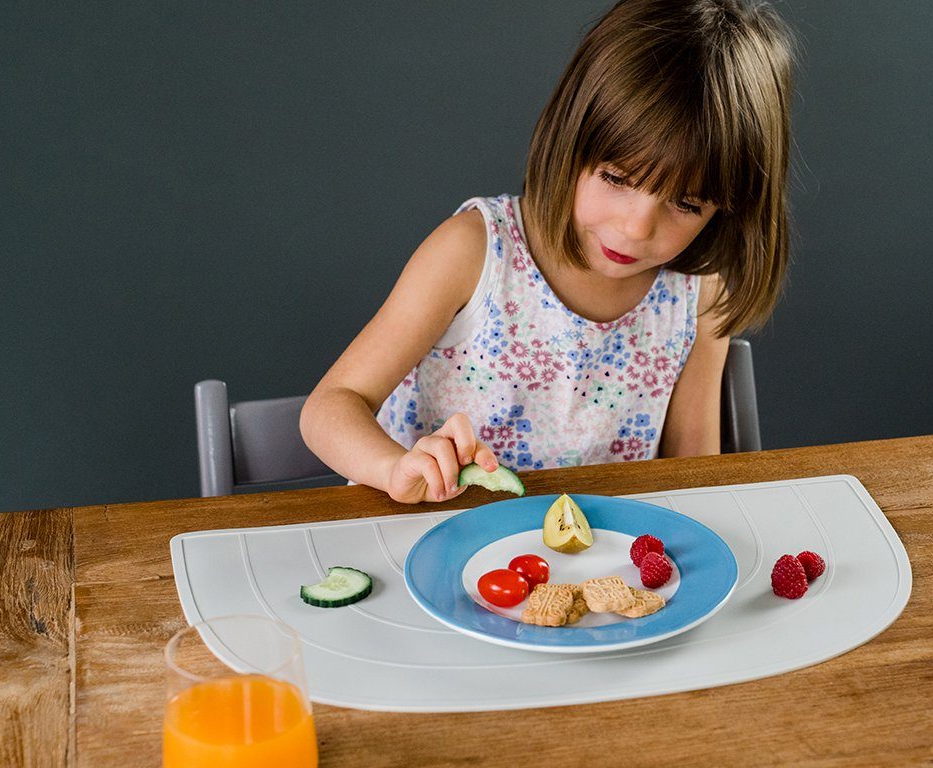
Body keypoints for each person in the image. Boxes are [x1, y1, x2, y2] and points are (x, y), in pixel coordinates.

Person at [301, 0, 794, 503]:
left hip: (587, 565)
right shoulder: (472, 252)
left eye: (687, 204)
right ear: (570, 138)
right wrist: (394, 467)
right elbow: (329, 407)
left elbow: (691, 485)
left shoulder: (697, 296)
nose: (636, 227)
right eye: (615, 177)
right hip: (432, 540)